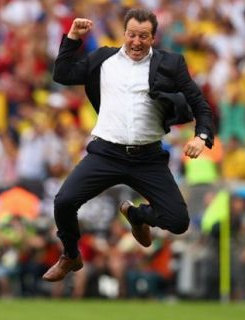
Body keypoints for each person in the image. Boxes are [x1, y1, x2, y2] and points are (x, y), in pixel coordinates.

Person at [42, 8, 214, 282]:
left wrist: (201, 136)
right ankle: (71, 255)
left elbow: (199, 103)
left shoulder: (171, 64)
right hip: (106, 153)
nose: (136, 42)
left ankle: (137, 216)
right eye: (132, 35)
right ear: (124, 34)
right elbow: (63, 75)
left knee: (179, 221)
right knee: (64, 202)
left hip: (147, 157)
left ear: (153, 38)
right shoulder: (103, 59)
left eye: (143, 36)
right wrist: (73, 38)